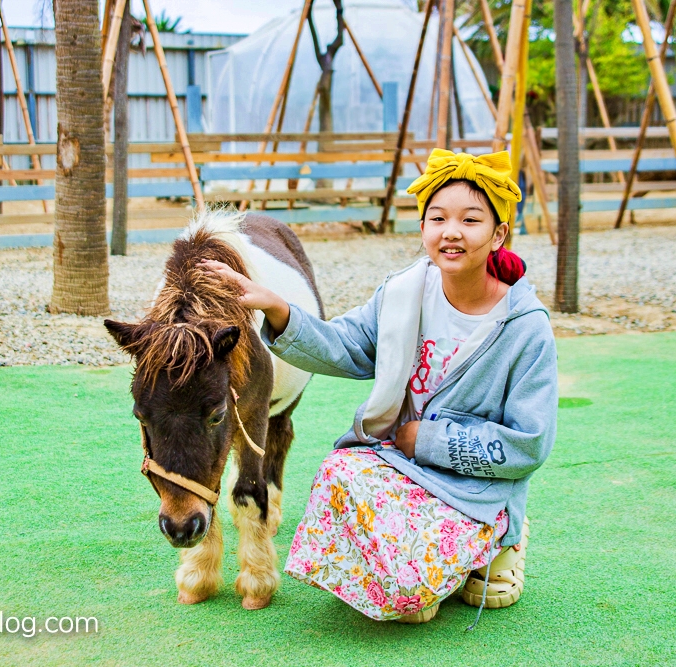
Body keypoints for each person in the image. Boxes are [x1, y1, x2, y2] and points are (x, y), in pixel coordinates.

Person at [201, 149, 558, 624]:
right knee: (338, 473)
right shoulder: (404, 293)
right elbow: (347, 345)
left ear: (498, 234)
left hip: (472, 484)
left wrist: (426, 439)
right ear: (424, 228)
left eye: (470, 220)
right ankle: (437, 562)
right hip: (403, 465)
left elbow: (528, 443)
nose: (451, 231)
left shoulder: (525, 327)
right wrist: (276, 306)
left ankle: (502, 534)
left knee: (410, 602)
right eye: (438, 218)